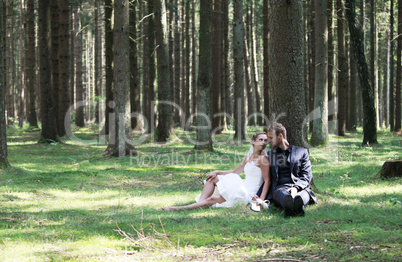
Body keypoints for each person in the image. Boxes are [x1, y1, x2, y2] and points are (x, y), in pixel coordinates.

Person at [162, 132, 270, 211]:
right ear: (253, 141)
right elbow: (235, 172)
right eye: (260, 139)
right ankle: (199, 204)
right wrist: (216, 171)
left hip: (248, 192)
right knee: (212, 178)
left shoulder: (263, 159)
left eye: (265, 140)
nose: (263, 142)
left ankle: (178, 208)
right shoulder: (248, 157)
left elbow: (267, 180)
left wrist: (261, 199)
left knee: (213, 199)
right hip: (241, 184)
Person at [255, 122, 317, 217]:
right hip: (280, 189)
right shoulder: (270, 155)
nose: (269, 141)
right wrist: (259, 196)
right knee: (283, 195)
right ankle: (293, 206)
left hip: (300, 188)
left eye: (271, 138)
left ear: (280, 136)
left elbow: (306, 175)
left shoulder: (302, 152)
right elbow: (267, 178)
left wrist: (296, 188)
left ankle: (297, 204)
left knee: (302, 195)